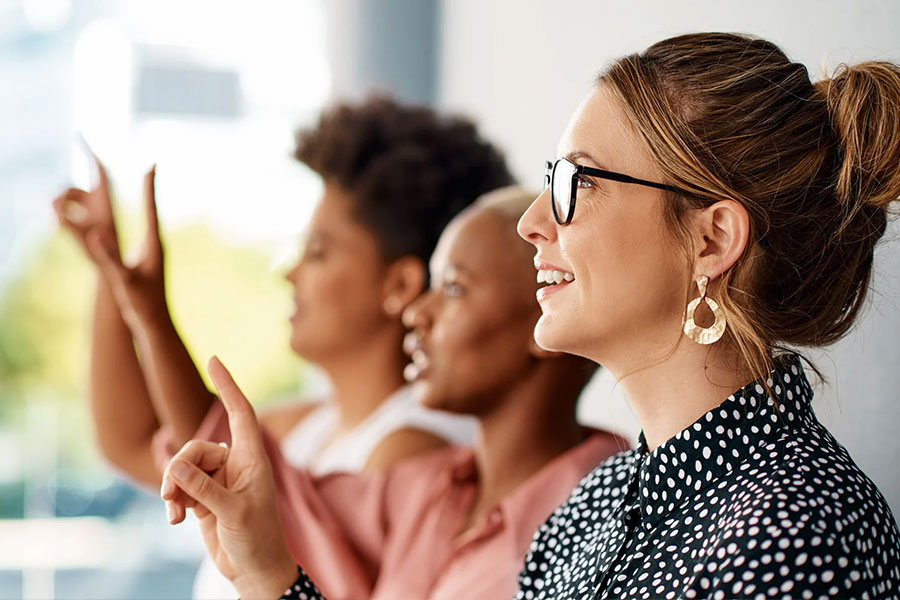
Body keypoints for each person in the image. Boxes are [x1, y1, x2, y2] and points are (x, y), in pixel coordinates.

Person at [165, 33, 900, 599]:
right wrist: (267, 572)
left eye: (578, 180)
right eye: (552, 179)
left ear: (711, 239)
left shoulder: (797, 534)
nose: (534, 223)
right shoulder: (596, 504)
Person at [53, 95, 511, 598]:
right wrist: (110, 273)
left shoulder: (413, 452)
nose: (289, 272)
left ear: (398, 286)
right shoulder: (305, 427)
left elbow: (283, 535)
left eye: (317, 252)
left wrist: (149, 315)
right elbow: (131, 442)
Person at [159, 187, 628, 600]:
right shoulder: (425, 490)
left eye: (455, 288)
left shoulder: (610, 521)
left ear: (542, 318)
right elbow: (270, 496)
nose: (416, 313)